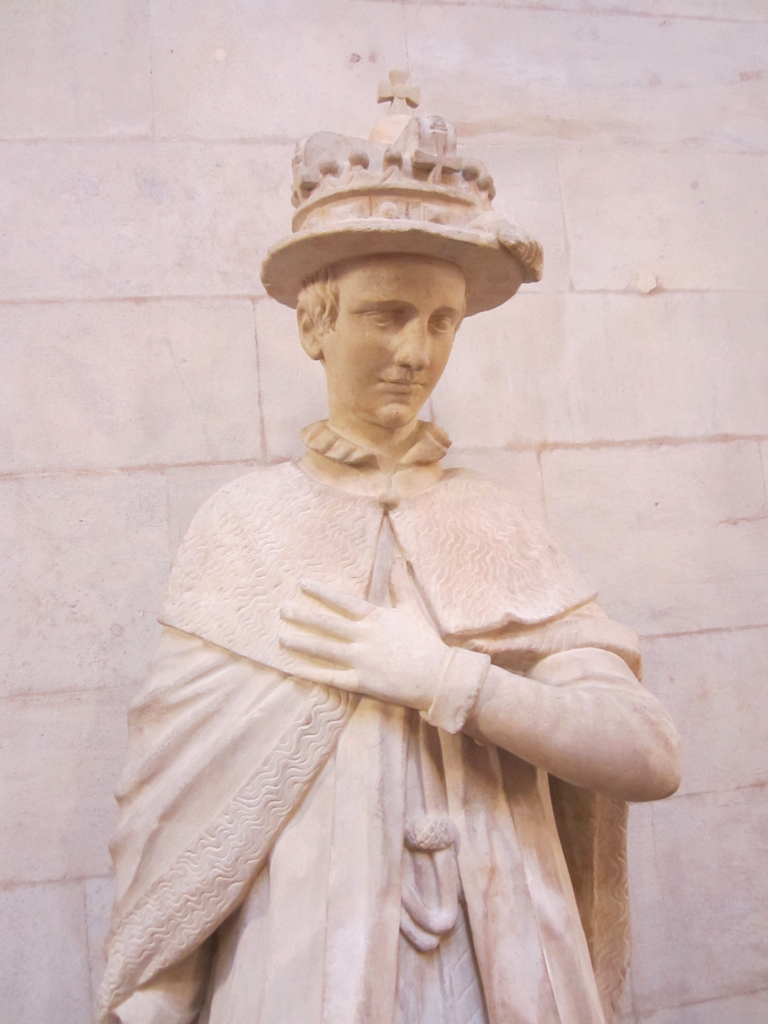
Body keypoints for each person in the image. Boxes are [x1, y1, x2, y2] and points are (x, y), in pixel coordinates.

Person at [99, 83, 680, 1024]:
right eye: (385, 314)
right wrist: (159, 993)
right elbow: (184, 814)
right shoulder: (241, 526)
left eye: (441, 321)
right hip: (303, 969)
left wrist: (453, 681)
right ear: (314, 324)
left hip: (509, 965)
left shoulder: (495, 521)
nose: (416, 351)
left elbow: (649, 755)